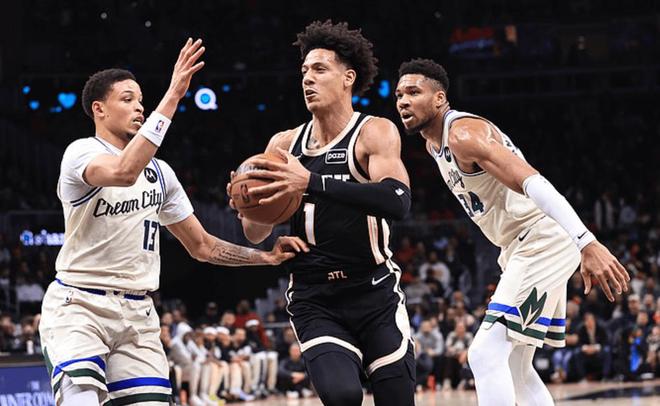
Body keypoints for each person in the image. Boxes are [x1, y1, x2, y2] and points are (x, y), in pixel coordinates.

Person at [39, 38, 307, 406]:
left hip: (138, 314)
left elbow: (203, 246)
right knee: (80, 400)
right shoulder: (81, 153)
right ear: (99, 109)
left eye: (141, 100)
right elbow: (123, 171)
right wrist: (174, 93)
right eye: (128, 99)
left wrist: (265, 257)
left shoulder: (161, 174)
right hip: (80, 306)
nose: (139, 107)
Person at [394, 58, 629, 405]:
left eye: (414, 92)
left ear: (439, 98)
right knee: (516, 368)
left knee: (484, 354)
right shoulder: (433, 145)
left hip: (541, 239)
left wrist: (586, 241)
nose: (403, 101)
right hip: (519, 246)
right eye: (399, 95)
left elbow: (533, 181)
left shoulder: (463, 135)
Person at [228, 21, 414, 406]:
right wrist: (249, 205)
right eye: (304, 71)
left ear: (348, 78)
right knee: (343, 396)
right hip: (315, 296)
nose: (308, 79)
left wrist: (311, 182)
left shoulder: (374, 132)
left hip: (374, 291)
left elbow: (398, 201)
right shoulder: (283, 145)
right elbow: (254, 233)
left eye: (319, 69)